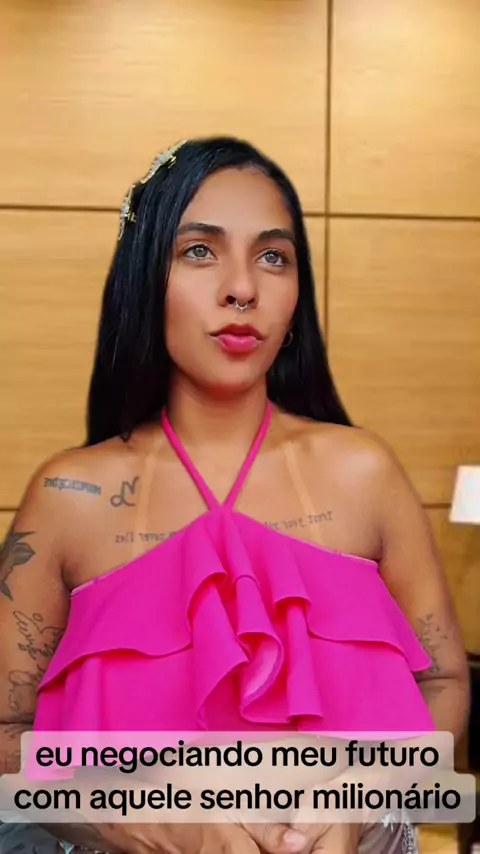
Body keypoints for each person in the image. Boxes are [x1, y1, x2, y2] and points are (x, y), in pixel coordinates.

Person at [0, 137, 469, 854]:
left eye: (273, 257)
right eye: (200, 251)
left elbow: (443, 682)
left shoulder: (364, 472)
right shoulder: (70, 496)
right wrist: (149, 818)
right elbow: (7, 734)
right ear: (144, 279)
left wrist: (362, 802)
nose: (242, 287)